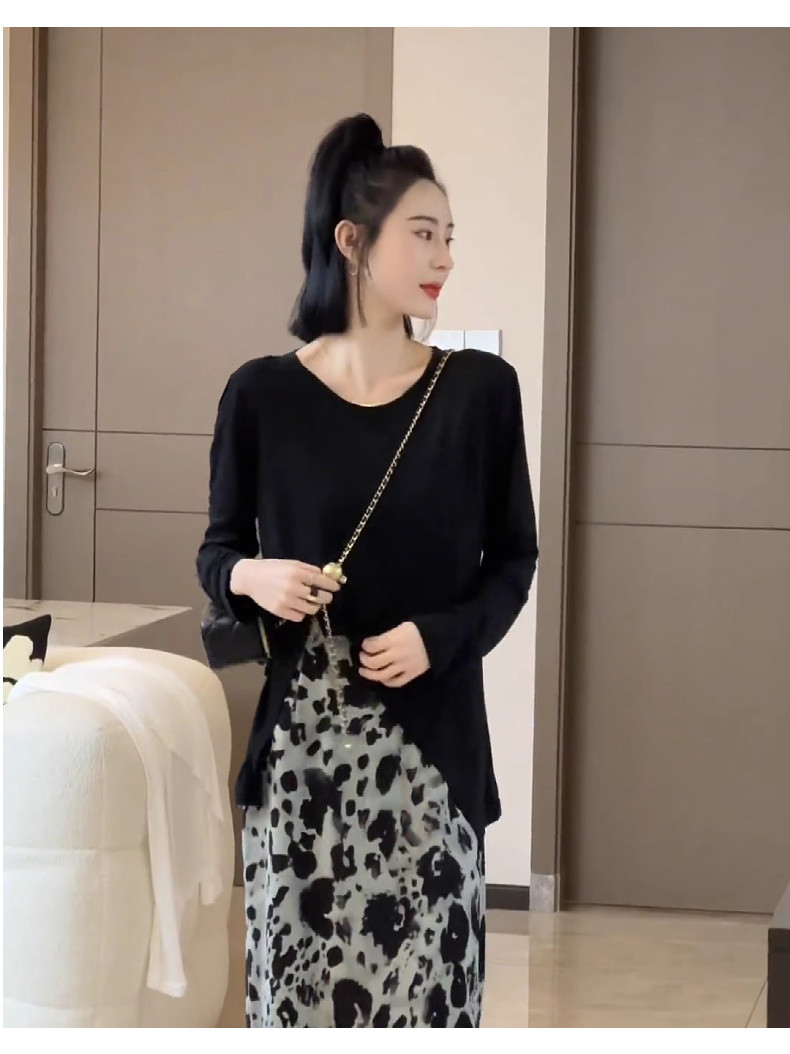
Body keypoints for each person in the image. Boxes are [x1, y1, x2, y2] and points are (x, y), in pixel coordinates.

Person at [196, 113, 538, 1028]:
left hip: (434, 766)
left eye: (449, 236)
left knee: (431, 1008)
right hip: (300, 773)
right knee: (296, 1009)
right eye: (423, 234)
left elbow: (515, 560)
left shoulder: (478, 393)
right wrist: (256, 579)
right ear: (352, 242)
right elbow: (217, 552)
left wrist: (441, 637)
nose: (445, 258)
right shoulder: (260, 395)